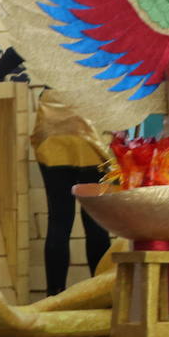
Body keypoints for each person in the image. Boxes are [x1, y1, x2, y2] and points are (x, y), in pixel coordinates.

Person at [31, 89, 112, 296]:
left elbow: (17, 55)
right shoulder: (100, 53)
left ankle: (54, 296)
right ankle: (100, 295)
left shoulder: (48, 55)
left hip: (52, 124)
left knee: (59, 219)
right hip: (92, 123)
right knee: (96, 219)